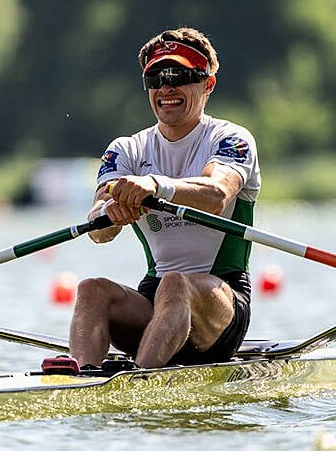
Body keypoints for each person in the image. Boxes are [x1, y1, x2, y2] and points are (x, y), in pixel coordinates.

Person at [69, 27, 261, 369]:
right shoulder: (126, 149)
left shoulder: (231, 139)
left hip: (221, 305)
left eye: (180, 76)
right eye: (156, 78)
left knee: (175, 284)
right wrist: (110, 212)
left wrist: (156, 186)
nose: (166, 87)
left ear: (207, 85)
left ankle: (141, 377)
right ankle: (84, 377)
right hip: (154, 301)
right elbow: (98, 232)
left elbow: (217, 194)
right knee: (91, 289)